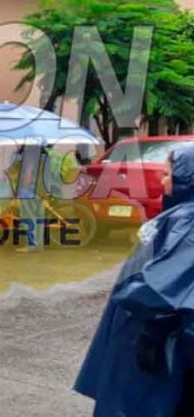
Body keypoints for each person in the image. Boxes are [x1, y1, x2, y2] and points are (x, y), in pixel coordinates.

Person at [75, 146, 194, 415]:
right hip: (140, 342)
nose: (162, 181)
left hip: (151, 348)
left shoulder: (186, 223)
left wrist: (146, 320)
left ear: (187, 177)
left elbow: (166, 290)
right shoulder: (177, 218)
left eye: (168, 174)